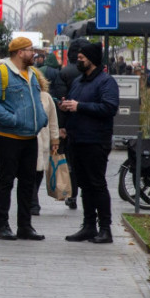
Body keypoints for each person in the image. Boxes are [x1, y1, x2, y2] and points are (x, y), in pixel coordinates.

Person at [0, 37, 48, 241]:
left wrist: (42, 118)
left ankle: (25, 226)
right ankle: (2, 226)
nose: (33, 54)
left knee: (28, 182)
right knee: (6, 181)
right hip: (7, 136)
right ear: (19, 52)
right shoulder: (1, 73)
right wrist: (12, 119)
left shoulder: (32, 74)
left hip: (30, 136)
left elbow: (36, 100)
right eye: (30, 50)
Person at [60, 42, 119, 244]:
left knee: (97, 184)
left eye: (82, 57)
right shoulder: (78, 81)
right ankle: (88, 226)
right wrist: (66, 109)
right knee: (84, 185)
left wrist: (79, 106)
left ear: (92, 59)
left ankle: (105, 229)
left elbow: (109, 107)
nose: (79, 59)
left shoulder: (106, 82)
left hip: (95, 141)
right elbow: (75, 105)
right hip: (77, 140)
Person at [54, 38, 87, 210]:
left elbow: (61, 102)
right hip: (88, 124)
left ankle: (72, 195)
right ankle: (86, 193)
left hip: (70, 125)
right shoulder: (90, 72)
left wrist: (61, 126)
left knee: (71, 161)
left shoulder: (65, 72)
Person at [31, 71, 60, 216]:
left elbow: (53, 120)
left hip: (43, 140)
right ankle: (33, 202)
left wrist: (55, 139)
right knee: (28, 172)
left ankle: (32, 197)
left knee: (39, 171)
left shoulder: (46, 97)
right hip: (27, 138)